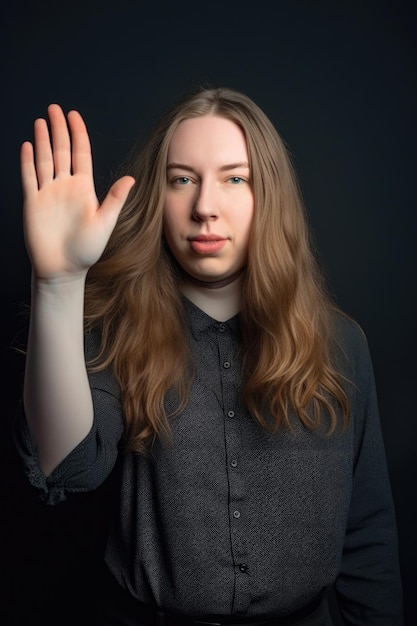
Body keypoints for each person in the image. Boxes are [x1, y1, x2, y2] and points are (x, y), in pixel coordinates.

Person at [14, 86, 403, 625]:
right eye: (183, 180)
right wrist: (57, 285)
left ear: (269, 195)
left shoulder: (341, 344)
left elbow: (368, 536)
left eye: (234, 178)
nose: (204, 208)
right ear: (159, 195)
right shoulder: (116, 332)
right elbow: (67, 467)